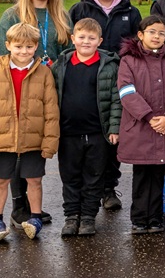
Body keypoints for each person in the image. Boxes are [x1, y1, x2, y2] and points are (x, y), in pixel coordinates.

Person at [0, 0, 71, 228]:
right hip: (20, 91)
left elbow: (70, 54)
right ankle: (19, 206)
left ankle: (33, 205)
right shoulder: (12, 16)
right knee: (18, 145)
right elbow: (0, 59)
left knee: (35, 149)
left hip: (51, 93)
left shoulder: (61, 16)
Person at [0, 23, 60, 242]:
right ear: (8, 45)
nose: (23, 51)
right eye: (18, 46)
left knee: (34, 179)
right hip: (3, 138)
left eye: (29, 47)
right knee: (1, 180)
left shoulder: (44, 74)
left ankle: (35, 218)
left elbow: (51, 110)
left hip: (33, 138)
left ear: (36, 47)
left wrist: (49, 142)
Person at [69, 0, 142, 213]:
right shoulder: (79, 9)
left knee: (113, 135)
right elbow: (71, 46)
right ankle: (84, 189)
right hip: (88, 80)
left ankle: (109, 189)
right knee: (88, 137)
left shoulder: (130, 12)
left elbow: (137, 47)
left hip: (119, 81)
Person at [117, 16, 165, 234]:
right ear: (141, 35)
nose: (156, 37)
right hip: (141, 127)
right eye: (152, 32)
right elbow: (127, 92)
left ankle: (155, 218)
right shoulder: (128, 60)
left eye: (161, 33)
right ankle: (139, 219)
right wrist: (149, 117)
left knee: (158, 174)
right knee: (141, 175)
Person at [50, 17, 121, 236]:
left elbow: (116, 100)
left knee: (94, 176)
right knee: (70, 176)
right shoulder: (61, 65)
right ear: (73, 39)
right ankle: (72, 216)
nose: (86, 42)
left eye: (91, 38)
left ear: (99, 41)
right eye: (81, 37)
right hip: (68, 132)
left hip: (97, 133)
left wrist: (114, 128)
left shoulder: (108, 67)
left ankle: (89, 217)